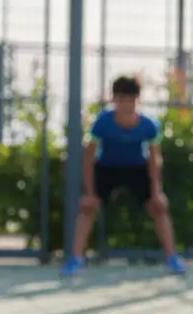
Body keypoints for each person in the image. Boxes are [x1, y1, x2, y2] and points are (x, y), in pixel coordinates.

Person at [62, 75, 186, 277]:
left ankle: (173, 258)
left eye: (131, 100)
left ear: (138, 100)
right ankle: (75, 259)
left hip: (137, 168)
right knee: (87, 208)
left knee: (159, 208)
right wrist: (89, 193)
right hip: (107, 168)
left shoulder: (149, 125)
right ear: (114, 100)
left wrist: (157, 193)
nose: (126, 105)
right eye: (121, 100)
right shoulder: (102, 123)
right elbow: (88, 159)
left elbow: (155, 160)